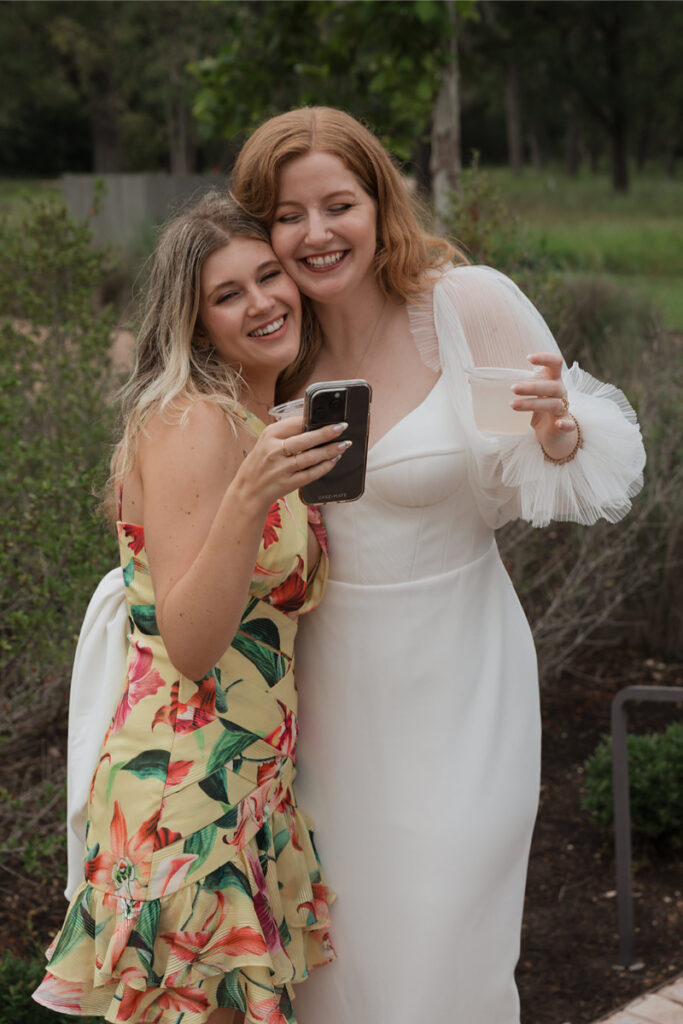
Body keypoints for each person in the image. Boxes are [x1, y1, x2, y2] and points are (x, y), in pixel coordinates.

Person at [229, 107, 647, 1024]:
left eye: (337, 204)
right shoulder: (264, 347)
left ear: (380, 201)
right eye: (287, 217)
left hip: (461, 678)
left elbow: (556, 478)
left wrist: (557, 434)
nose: (315, 234)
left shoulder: (464, 306)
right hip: (319, 693)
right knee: (339, 964)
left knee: (443, 952)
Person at [32, 192, 347, 1024]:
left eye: (269, 277)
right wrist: (251, 497)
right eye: (227, 294)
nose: (262, 303)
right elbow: (192, 641)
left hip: (245, 785)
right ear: (195, 323)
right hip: (185, 791)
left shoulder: (257, 421)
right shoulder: (193, 424)